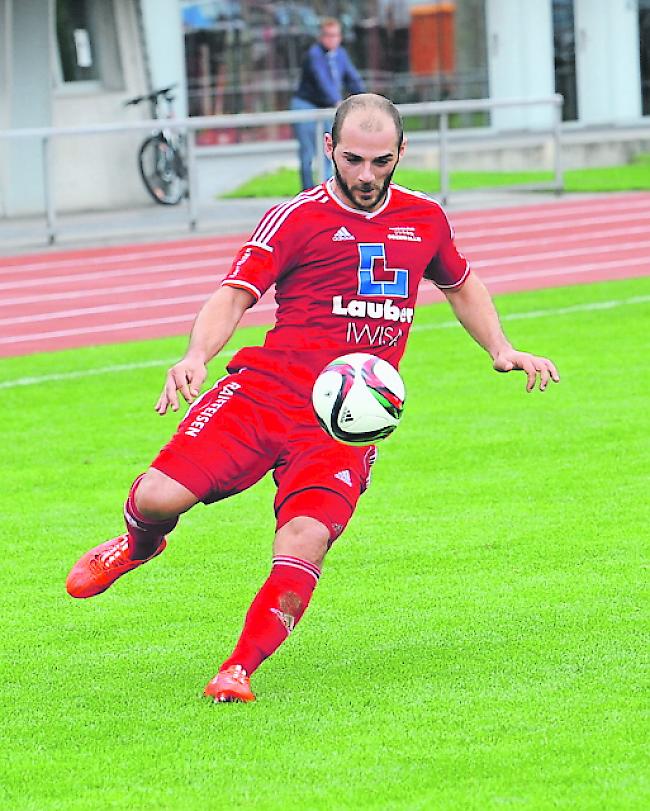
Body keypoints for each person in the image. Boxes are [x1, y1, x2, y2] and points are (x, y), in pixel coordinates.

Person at [66, 93, 560, 703]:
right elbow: (235, 293)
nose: (366, 175)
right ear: (329, 148)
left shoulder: (426, 219)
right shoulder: (297, 216)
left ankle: (237, 669)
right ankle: (139, 545)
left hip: (345, 419)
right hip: (266, 391)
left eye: (382, 161)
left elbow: (460, 283)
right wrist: (196, 356)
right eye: (353, 159)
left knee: (305, 539)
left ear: (402, 153)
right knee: (158, 495)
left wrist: (500, 348)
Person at [291, 17, 365, 190]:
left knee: (329, 150)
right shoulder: (314, 54)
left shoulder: (340, 54)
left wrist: (366, 100)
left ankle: (326, 193)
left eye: (336, 35)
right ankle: (307, 193)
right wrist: (337, 101)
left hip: (327, 107)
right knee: (308, 153)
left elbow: (352, 79)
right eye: (329, 35)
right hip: (306, 106)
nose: (333, 39)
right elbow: (322, 81)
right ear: (321, 37)